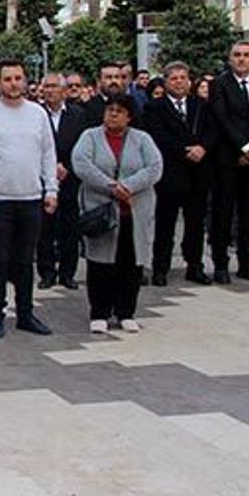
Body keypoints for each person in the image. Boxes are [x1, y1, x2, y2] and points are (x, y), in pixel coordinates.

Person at [0, 61, 58, 339]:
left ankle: (26, 313)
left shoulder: (38, 113)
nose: (13, 83)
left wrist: (51, 190)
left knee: (25, 261)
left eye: (18, 78)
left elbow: (48, 153)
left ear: (25, 81)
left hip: (31, 198)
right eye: (7, 79)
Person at [72, 94, 163, 333]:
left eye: (119, 111)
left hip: (135, 211)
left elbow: (155, 168)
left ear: (129, 117)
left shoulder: (142, 139)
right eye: (109, 110)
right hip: (102, 210)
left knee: (131, 263)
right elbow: (81, 164)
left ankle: (126, 312)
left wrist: (129, 186)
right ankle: (99, 313)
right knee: (100, 263)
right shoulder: (90, 137)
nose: (113, 114)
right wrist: (112, 187)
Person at [143, 62, 215, 286]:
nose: (179, 82)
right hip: (171, 173)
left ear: (189, 81)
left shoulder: (201, 104)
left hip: (198, 173)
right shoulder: (154, 107)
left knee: (195, 224)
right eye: (174, 78)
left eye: (183, 78)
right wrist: (185, 150)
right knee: (165, 225)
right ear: (165, 82)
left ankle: (195, 266)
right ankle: (160, 268)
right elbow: (157, 135)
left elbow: (212, 130)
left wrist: (203, 147)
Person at [207, 41, 249, 284]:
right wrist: (244, 147)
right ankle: (220, 264)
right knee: (223, 213)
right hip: (228, 158)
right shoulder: (220, 84)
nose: (242, 59)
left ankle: (247, 263)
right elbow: (223, 119)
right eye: (237, 55)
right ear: (230, 59)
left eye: (247, 55)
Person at [36, 73, 86, 290]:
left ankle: (68, 273)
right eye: (46, 87)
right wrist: (49, 167)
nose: (49, 91)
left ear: (64, 91)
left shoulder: (78, 115)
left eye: (54, 86)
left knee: (70, 228)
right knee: (45, 229)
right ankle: (47, 272)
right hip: (43, 179)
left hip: (70, 178)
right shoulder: (36, 114)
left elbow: (83, 146)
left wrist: (67, 167)